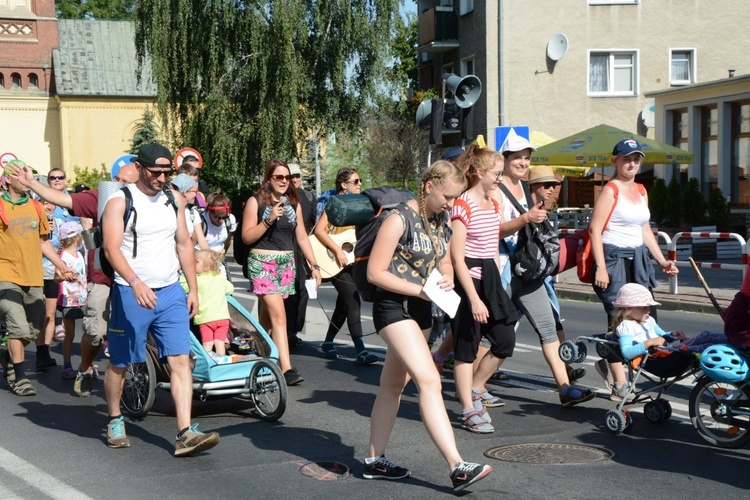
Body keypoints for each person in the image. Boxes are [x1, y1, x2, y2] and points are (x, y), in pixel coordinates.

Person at [364, 160, 493, 493]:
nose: (452, 203)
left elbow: (447, 260)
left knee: (392, 385)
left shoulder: (443, 220)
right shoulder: (398, 219)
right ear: (428, 186)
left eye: (455, 196)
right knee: (429, 380)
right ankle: (457, 465)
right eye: (447, 195)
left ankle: (374, 460)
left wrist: (446, 280)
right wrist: (420, 289)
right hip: (393, 308)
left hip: (420, 311)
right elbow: (375, 273)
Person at [102, 143, 219, 456]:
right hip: (131, 293)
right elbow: (112, 248)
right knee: (121, 362)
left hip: (169, 292)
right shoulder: (119, 200)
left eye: (167, 172)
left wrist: (192, 288)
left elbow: (184, 244)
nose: (162, 177)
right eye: (156, 172)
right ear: (140, 168)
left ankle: (185, 432)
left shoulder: (173, 198)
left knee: (180, 360)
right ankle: (115, 418)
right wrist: (135, 282)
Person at [6, 160, 140, 397]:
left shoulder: (150, 202)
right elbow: (63, 200)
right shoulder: (102, 196)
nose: (118, 185)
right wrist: (34, 182)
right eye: (116, 179)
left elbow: (41, 241)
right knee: (95, 331)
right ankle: (32, 373)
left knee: (36, 326)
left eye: (125, 182)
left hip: (137, 276)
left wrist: (61, 266)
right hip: (99, 276)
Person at [494, 137, 593, 409]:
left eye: (526, 158)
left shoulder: (525, 190)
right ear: (505, 158)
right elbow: (494, 230)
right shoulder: (495, 189)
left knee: (548, 328)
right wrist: (525, 219)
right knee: (490, 332)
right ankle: (471, 387)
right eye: (517, 157)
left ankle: (564, 388)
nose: (522, 162)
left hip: (526, 268)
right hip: (501, 266)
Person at [588, 139, 678, 400]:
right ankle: (619, 382)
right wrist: (601, 268)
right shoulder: (610, 190)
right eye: (626, 159)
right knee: (619, 320)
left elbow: (644, 229)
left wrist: (661, 261)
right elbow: (595, 229)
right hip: (613, 258)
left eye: (636, 159)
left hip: (638, 258)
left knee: (644, 318)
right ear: (615, 161)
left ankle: (634, 371)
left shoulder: (640, 189)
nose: (632, 163)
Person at [450, 142, 517, 434]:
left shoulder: (494, 202)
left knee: (505, 340)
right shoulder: (461, 205)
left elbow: (491, 246)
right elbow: (457, 255)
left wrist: (495, 286)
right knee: (466, 346)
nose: (500, 178)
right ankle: (467, 408)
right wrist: (474, 298)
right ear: (479, 172)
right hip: (467, 279)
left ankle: (476, 388)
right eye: (496, 173)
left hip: (489, 277)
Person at [241, 159, 322, 386]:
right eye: (279, 177)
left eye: (287, 178)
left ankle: (259, 358)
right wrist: (268, 220)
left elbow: (302, 237)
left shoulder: (293, 204)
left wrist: (314, 266)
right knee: (279, 315)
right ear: (268, 179)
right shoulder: (255, 202)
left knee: (267, 319)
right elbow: (246, 237)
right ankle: (286, 368)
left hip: (286, 265)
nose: (284, 182)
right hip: (262, 264)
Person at [0, 160, 77, 397]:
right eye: (20, 175)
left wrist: (62, 265)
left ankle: (8, 354)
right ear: (7, 180)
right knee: (17, 325)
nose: (26, 178)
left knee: (33, 330)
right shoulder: (1, 206)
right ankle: (19, 376)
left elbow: (44, 242)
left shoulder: (36, 206)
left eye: (28, 174)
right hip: (6, 276)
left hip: (33, 276)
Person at [527, 166, 586, 382]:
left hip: (540, 278)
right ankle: (469, 379)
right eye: (547, 185)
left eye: (554, 185)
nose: (552, 189)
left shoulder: (543, 211)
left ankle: (565, 377)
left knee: (552, 326)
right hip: (518, 278)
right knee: (494, 335)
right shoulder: (525, 210)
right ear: (533, 186)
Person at [314, 168, 378, 365]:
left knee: (344, 303)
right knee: (353, 300)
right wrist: (337, 250)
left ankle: (328, 341)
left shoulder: (361, 204)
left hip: (351, 259)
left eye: (360, 180)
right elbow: (319, 230)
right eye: (355, 181)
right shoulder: (335, 204)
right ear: (344, 185)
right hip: (334, 259)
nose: (360, 184)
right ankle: (361, 350)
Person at [611, 283, 726, 377]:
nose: (648, 310)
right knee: (704, 347)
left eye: (649, 306)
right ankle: (730, 346)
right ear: (627, 308)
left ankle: (732, 340)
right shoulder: (626, 326)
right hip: (659, 360)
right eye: (643, 307)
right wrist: (650, 342)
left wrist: (672, 335)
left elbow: (662, 336)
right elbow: (626, 353)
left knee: (706, 336)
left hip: (669, 352)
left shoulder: (649, 320)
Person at [285, 163, 316, 348]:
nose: (295, 180)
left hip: (303, 248)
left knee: (302, 290)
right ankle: (284, 331)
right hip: (286, 247)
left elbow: (313, 224)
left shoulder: (308, 196)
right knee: (287, 291)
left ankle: (295, 329)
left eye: (297, 176)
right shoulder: (282, 197)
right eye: (291, 177)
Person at [180, 249, 234, 355]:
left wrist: (184, 274)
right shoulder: (219, 277)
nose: (193, 264)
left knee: (207, 344)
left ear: (207, 267)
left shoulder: (197, 281)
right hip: (222, 318)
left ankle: (210, 364)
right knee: (220, 343)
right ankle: (221, 363)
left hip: (205, 319)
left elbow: (183, 287)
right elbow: (230, 289)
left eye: (196, 262)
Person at [56, 221, 87, 380]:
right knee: (70, 334)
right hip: (68, 300)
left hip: (82, 298)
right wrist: (65, 276)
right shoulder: (63, 256)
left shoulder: (80, 254)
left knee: (88, 332)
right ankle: (67, 365)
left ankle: (86, 364)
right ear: (77, 237)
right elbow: (56, 277)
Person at [38, 200, 61, 370]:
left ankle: (45, 351)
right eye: (45, 203)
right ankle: (39, 350)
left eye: (51, 203)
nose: (49, 206)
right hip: (36, 272)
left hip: (52, 273)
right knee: (38, 315)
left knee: (50, 315)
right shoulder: (35, 222)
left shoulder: (58, 223)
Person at [199, 191, 236, 280]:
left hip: (218, 261)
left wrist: (221, 255)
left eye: (224, 217)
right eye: (217, 217)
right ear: (210, 212)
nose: (220, 221)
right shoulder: (201, 221)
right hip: (201, 262)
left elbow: (228, 241)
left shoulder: (230, 220)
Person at [169, 174, 209, 250]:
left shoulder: (193, 213)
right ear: (185, 192)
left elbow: (202, 241)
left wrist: (212, 257)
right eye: (195, 191)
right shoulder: (169, 211)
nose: (197, 194)